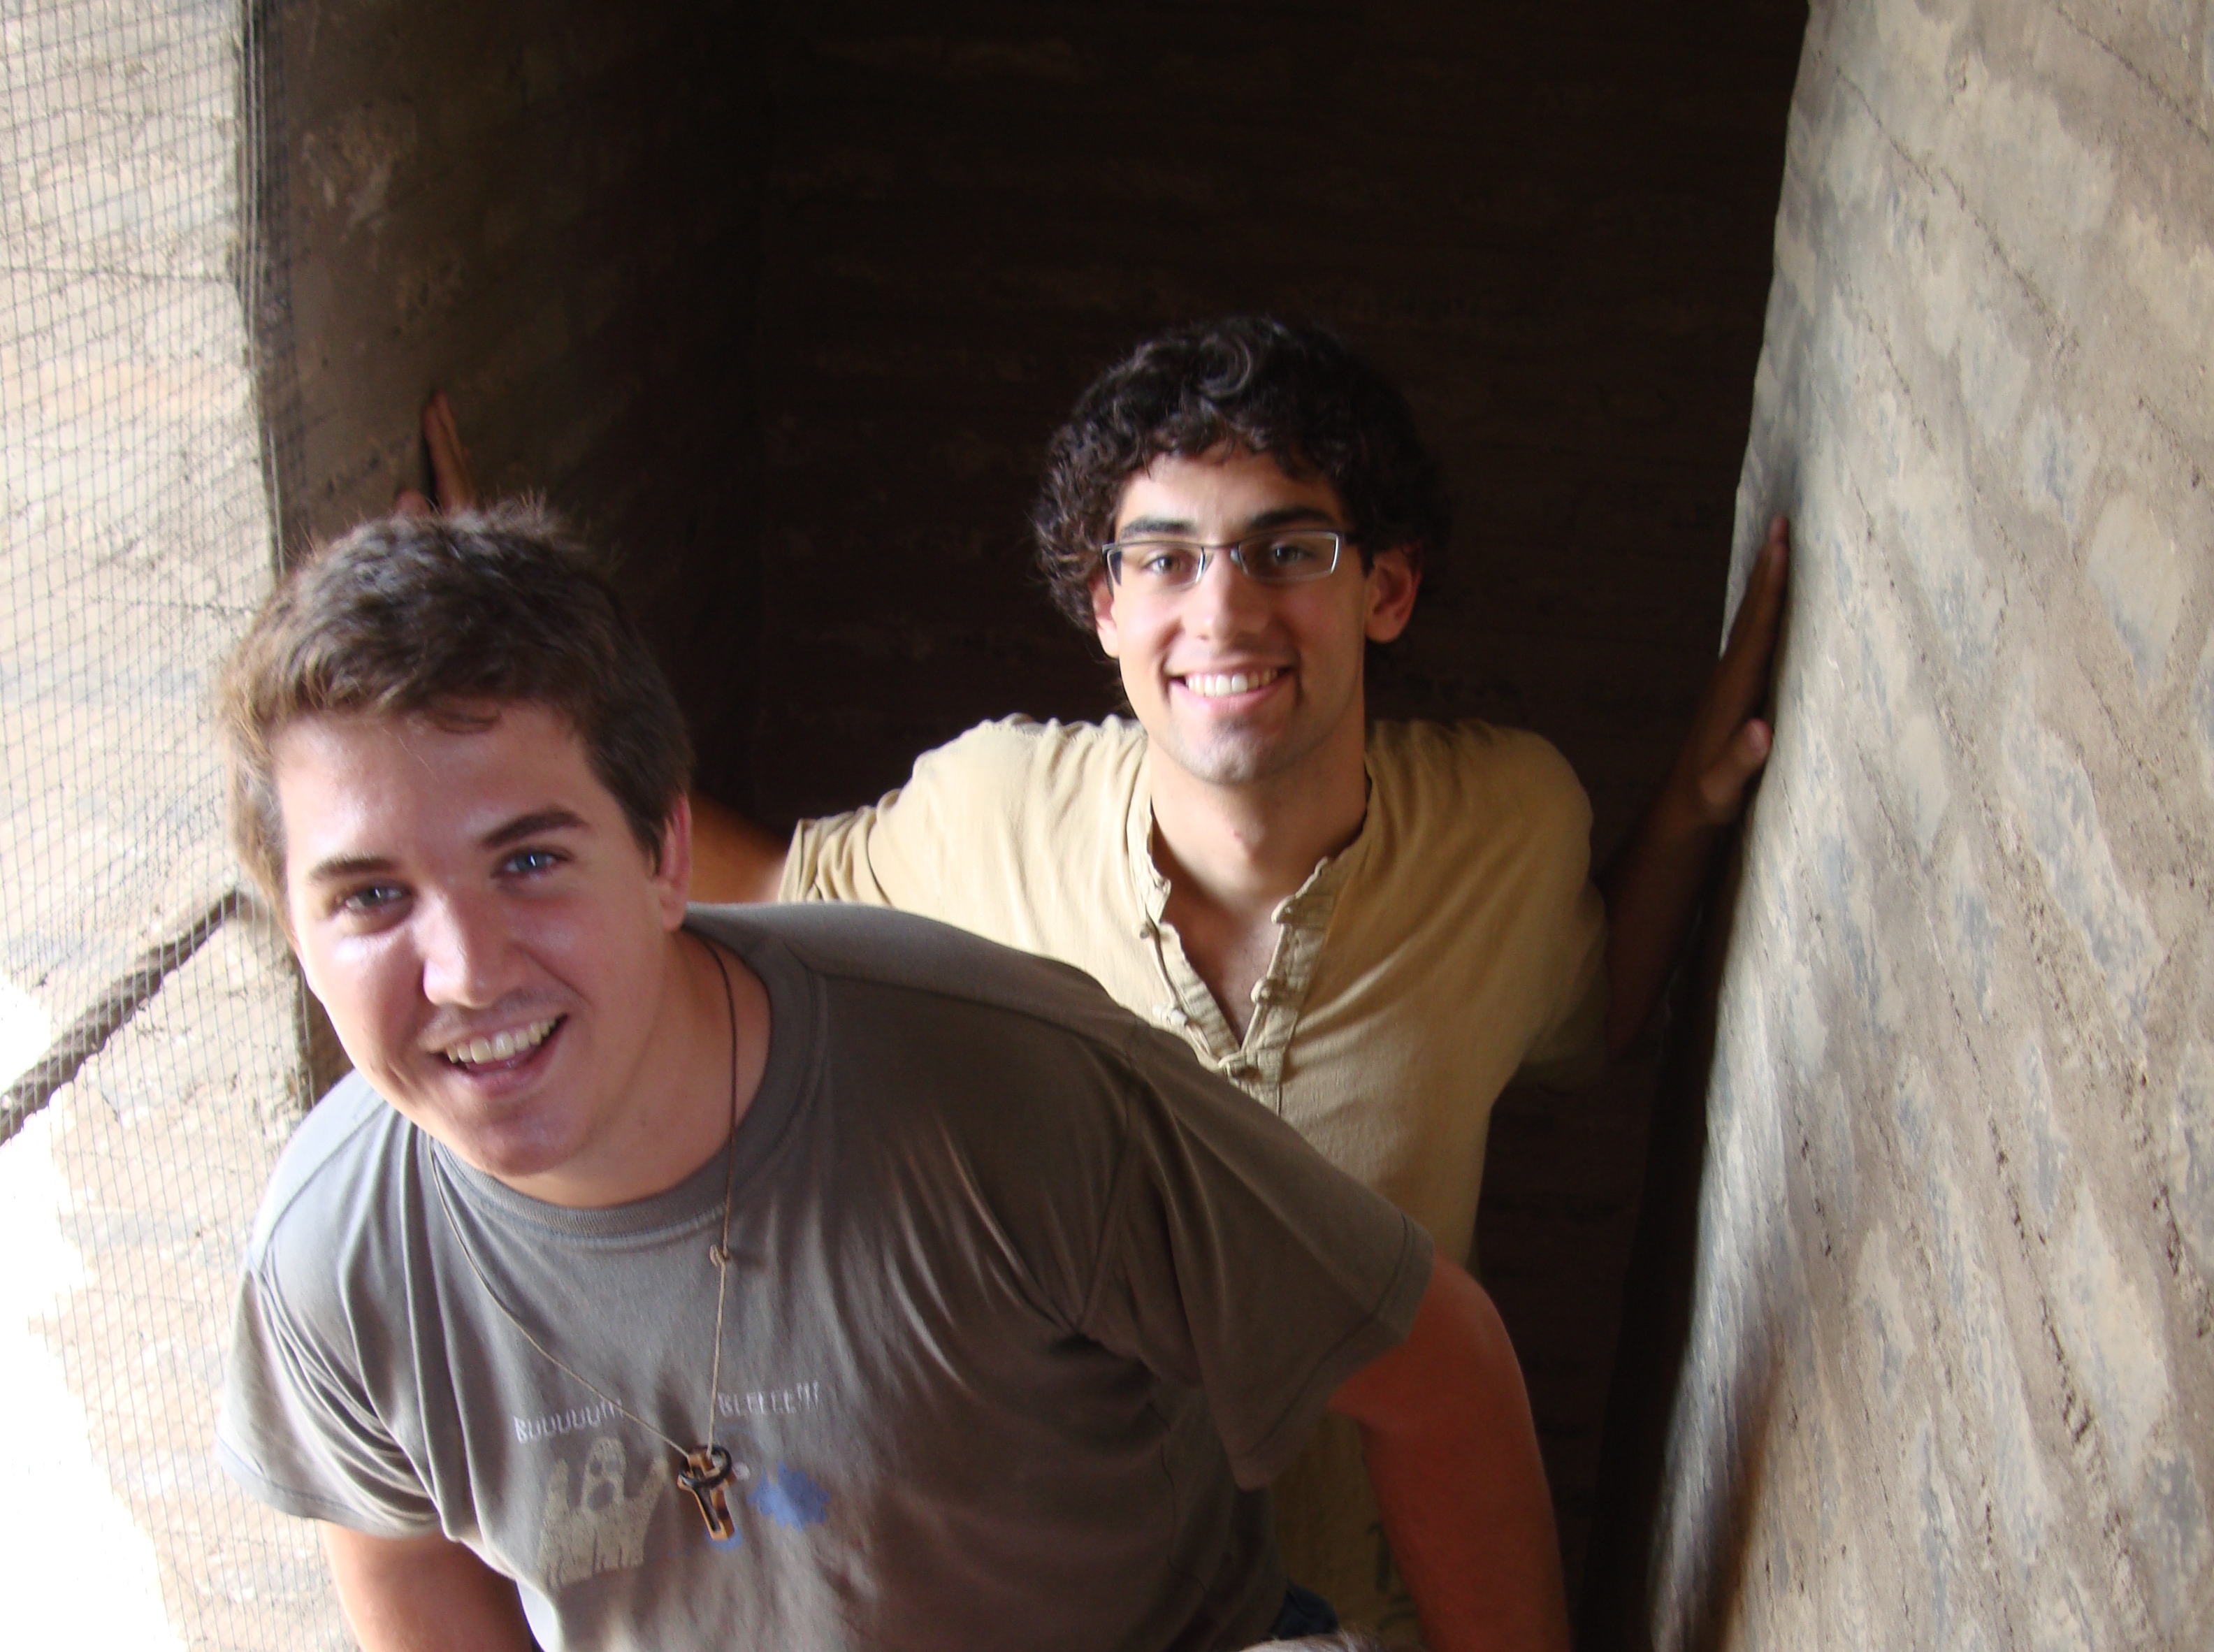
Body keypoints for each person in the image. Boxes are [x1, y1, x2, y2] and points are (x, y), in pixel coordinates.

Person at [399, 318, 1787, 1632]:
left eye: (1287, 549)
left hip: (1369, 1616)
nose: (1224, 611)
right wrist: (521, 681)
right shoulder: (991, 814)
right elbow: (747, 886)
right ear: (1104, 603)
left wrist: (1686, 814)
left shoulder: (1505, 833)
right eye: (1164, 558)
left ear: (1387, 588)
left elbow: (1591, 1014)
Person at [212, 505, 1570, 1651]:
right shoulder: (336, 1254)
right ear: (294, 933)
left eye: (529, 862)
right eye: (370, 896)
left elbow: (1438, 1369)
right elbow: (412, 1587)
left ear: (664, 855)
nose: (463, 973)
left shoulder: (999, 1087)